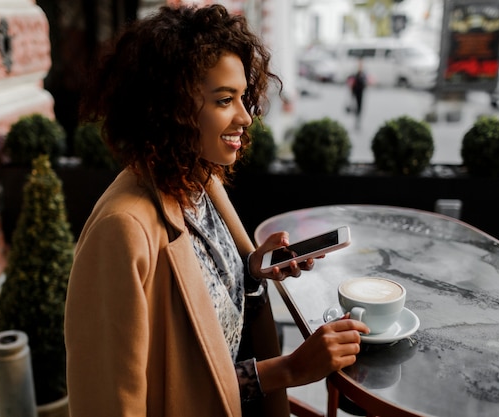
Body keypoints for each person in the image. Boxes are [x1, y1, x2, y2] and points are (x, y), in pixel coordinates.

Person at [64, 5, 369, 417]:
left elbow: (201, 306)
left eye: (244, 97)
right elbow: (116, 404)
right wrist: (293, 367)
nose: (245, 117)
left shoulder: (198, 178)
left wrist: (251, 269)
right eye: (225, 100)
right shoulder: (122, 229)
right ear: (168, 108)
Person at [349, 60, 367, 128]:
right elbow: (350, 81)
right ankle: (356, 117)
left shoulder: (363, 73)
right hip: (354, 91)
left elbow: (365, 82)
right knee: (354, 105)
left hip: (360, 92)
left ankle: (358, 119)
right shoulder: (354, 73)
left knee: (359, 106)